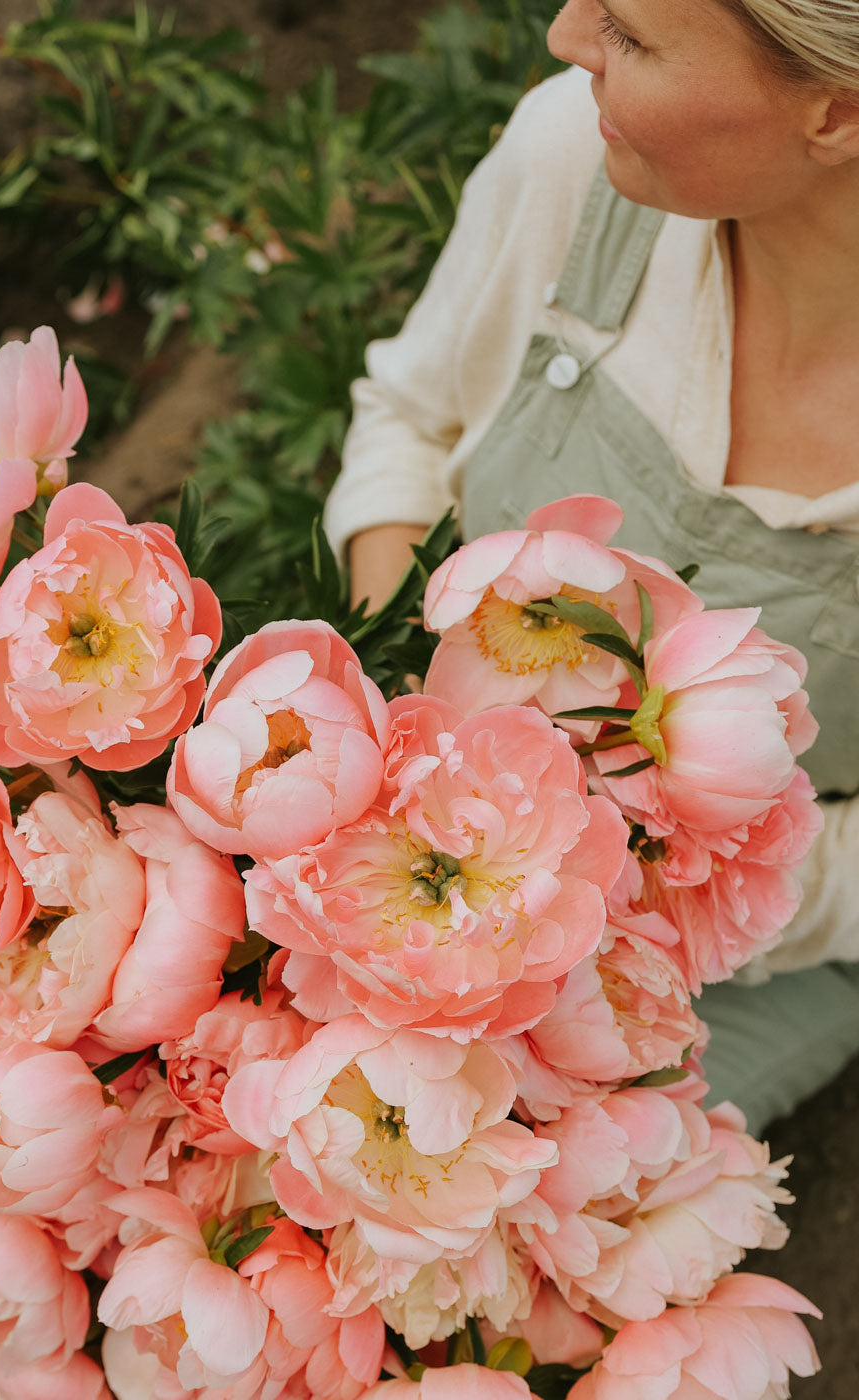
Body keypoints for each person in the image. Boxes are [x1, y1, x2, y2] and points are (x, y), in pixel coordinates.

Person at [324, 0, 859, 1136]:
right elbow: (411, 419)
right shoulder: (579, 151)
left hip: (760, 951)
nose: (567, 38)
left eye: (629, 33)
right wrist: (389, 711)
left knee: (534, 1197)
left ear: (838, 111)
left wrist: (635, 874)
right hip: (422, 834)